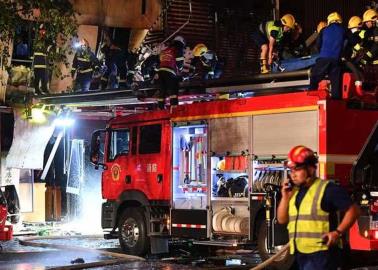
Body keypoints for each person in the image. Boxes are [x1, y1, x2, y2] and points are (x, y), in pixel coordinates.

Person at [277, 145, 360, 270]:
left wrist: (337, 232)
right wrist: (285, 198)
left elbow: (353, 210)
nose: (293, 174)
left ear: (310, 169)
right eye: (291, 170)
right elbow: (282, 220)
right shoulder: (294, 192)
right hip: (301, 254)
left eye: (297, 169)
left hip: (322, 255)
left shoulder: (327, 190)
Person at [309, 12, 346, 99]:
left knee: (314, 77)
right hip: (336, 60)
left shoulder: (324, 30)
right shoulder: (343, 30)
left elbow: (318, 45)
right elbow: (350, 42)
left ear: (329, 21)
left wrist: (323, 52)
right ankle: (336, 103)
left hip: (324, 59)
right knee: (335, 82)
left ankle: (311, 97)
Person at [156, 35, 185, 111]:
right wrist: (180, 69)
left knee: (162, 90)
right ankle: (174, 107)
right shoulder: (178, 48)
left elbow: (160, 60)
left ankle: (160, 107)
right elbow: (179, 61)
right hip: (170, 71)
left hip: (161, 71)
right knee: (173, 89)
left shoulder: (166, 49)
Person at [32, 24, 51, 95]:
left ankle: (44, 89)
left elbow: (48, 47)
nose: (43, 32)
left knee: (44, 77)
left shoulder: (45, 39)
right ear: (40, 31)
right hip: (38, 61)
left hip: (43, 61)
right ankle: (37, 90)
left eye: (44, 30)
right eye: (42, 30)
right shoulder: (38, 39)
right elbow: (38, 47)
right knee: (37, 77)